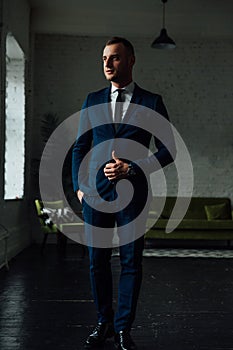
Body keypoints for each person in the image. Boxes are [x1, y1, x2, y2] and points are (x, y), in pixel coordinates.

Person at [72, 37, 176, 350]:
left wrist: (133, 168)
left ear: (131, 60)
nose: (107, 63)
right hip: (96, 195)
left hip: (134, 195)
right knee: (97, 262)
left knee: (131, 263)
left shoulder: (152, 102)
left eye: (115, 58)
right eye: (104, 57)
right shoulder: (92, 100)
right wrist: (80, 188)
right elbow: (80, 146)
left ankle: (122, 329)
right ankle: (103, 322)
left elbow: (169, 150)